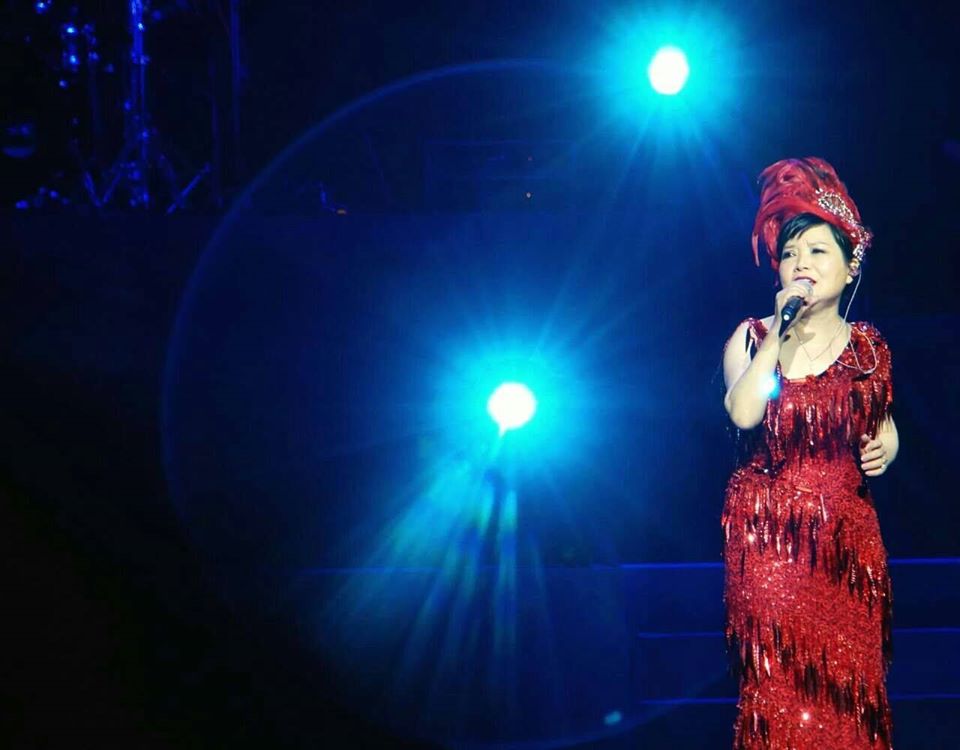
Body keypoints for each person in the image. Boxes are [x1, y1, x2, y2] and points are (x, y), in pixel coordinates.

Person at [721, 157, 898, 749]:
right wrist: (779, 330)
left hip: (847, 549)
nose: (801, 264)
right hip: (769, 546)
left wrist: (888, 445)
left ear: (851, 266)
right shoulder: (751, 337)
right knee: (780, 702)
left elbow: (884, 424)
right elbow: (744, 411)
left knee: (850, 701)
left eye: (818, 251)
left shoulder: (869, 350)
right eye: (791, 254)